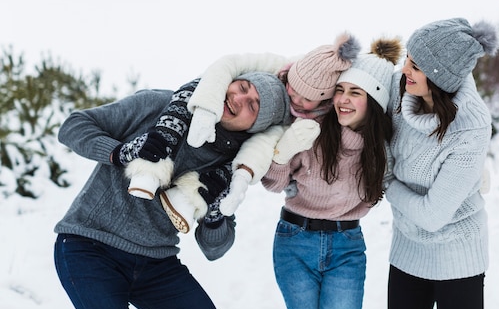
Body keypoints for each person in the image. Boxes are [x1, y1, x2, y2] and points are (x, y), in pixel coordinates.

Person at [53, 72, 291, 309]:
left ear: (256, 127)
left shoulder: (234, 166)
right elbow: (73, 126)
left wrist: (215, 213)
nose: (239, 99)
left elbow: (214, 249)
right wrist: (120, 153)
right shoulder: (160, 105)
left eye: (253, 106)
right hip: (90, 247)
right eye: (242, 87)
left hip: (156, 264)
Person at [125, 33, 361, 231]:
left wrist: (243, 176)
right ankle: (148, 167)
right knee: (179, 115)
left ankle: (188, 199)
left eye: (306, 98)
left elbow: (265, 141)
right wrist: (207, 109)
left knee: (231, 164)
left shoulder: (312, 120)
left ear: (324, 101)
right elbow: (228, 65)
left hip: (254, 127)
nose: (294, 98)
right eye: (293, 86)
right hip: (207, 93)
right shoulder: (277, 66)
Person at [262, 37, 403, 309]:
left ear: (374, 101)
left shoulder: (382, 149)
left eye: (355, 93)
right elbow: (273, 183)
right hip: (295, 241)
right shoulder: (311, 131)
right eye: (340, 90)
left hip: (346, 247)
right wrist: (282, 153)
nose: (343, 100)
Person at [384, 18, 499, 309]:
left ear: (440, 77)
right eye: (407, 59)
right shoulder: (402, 89)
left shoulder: (470, 126)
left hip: (458, 254)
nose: (404, 70)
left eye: (416, 66)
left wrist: (386, 183)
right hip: (407, 248)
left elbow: (433, 215)